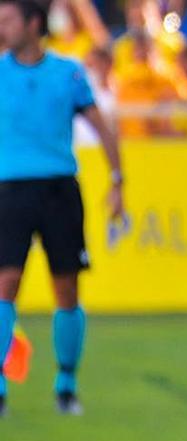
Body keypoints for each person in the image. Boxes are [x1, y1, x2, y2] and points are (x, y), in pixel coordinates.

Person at [0, 0, 124, 417]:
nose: (1, 28)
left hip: (58, 190)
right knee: (6, 282)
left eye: (7, 20)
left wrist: (118, 179)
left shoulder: (67, 72)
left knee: (66, 287)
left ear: (34, 24)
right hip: (9, 190)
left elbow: (99, 123)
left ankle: (66, 384)